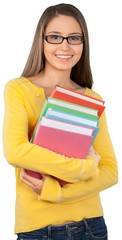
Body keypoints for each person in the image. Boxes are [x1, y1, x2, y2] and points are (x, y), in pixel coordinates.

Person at [3, 3, 118, 240]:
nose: (65, 46)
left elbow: (110, 172)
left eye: (74, 38)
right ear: (41, 41)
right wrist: (84, 168)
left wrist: (56, 192)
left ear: (83, 44)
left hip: (92, 228)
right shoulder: (18, 89)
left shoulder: (92, 99)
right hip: (37, 230)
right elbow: (16, 151)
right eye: (55, 37)